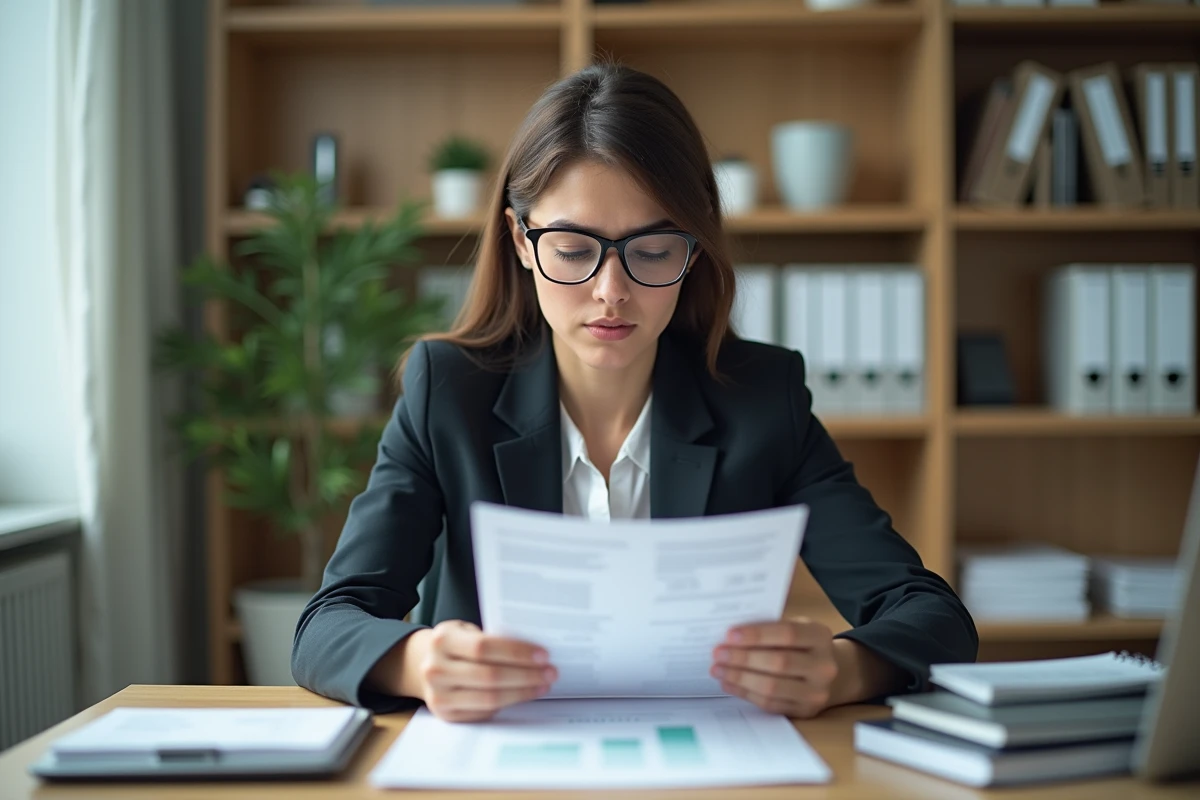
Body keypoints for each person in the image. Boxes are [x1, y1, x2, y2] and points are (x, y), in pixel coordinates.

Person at [292, 63, 977, 723]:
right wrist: (418, 661)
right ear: (521, 240)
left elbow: (933, 617)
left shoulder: (762, 402)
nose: (610, 292)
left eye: (651, 251)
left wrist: (843, 669)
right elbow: (327, 625)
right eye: (572, 249)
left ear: (694, 249)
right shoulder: (449, 393)